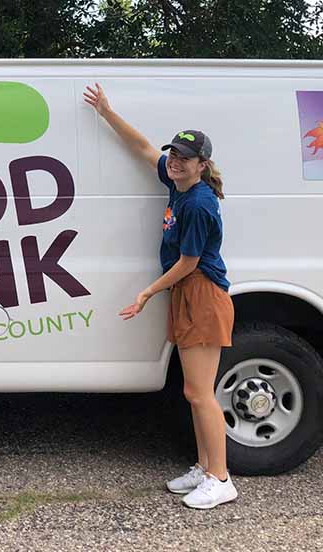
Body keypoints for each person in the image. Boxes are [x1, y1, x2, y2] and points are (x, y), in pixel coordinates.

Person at [83, 83, 237, 510]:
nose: (175, 162)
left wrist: (147, 293)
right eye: (175, 155)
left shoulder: (199, 204)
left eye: (185, 159)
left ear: (202, 165)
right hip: (188, 295)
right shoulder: (178, 185)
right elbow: (143, 147)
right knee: (192, 391)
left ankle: (221, 478)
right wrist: (107, 113)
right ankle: (204, 467)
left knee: (201, 392)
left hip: (201, 295)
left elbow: (189, 262)